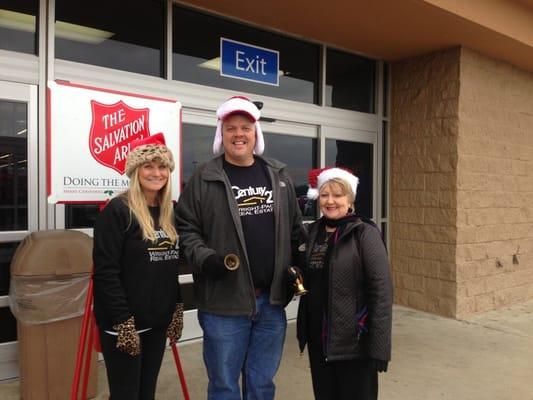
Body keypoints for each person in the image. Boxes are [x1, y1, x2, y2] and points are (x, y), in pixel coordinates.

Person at [176, 96, 305, 400]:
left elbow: (296, 230)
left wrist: (300, 262)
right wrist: (206, 259)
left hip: (271, 304)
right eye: (231, 128)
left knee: (262, 384)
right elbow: (186, 229)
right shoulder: (204, 178)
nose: (238, 134)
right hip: (224, 304)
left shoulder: (278, 175)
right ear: (222, 134)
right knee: (224, 385)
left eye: (245, 128)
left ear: (255, 133)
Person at [93, 133, 183, 400]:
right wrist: (123, 321)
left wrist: (176, 307)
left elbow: (169, 268)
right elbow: (106, 272)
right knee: (125, 394)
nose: (156, 173)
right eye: (149, 165)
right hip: (125, 323)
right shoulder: (117, 211)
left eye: (162, 166)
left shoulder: (168, 212)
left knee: (146, 393)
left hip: (156, 321)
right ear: (135, 170)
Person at [296, 167, 393, 400]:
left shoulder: (364, 233)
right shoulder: (313, 232)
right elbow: (311, 275)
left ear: (350, 199)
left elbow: (381, 290)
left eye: (338, 195)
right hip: (319, 337)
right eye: (325, 194)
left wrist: (380, 346)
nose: (330, 201)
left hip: (354, 342)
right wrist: (296, 275)